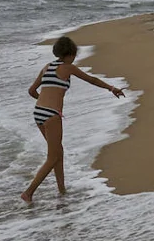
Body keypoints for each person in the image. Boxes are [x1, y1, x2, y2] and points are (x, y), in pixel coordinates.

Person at [21, 36, 124, 203]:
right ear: (69, 54)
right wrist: (111, 88)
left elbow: (32, 91)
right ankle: (29, 192)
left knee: (57, 153)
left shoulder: (47, 67)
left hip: (38, 113)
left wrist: (45, 101)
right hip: (51, 115)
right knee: (53, 157)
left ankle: (62, 190)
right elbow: (92, 79)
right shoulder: (67, 68)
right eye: (74, 54)